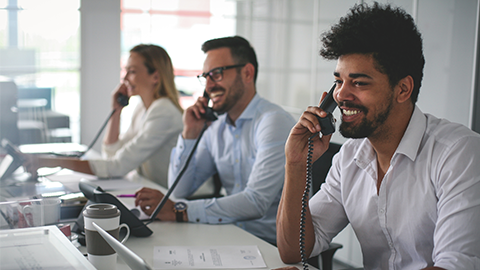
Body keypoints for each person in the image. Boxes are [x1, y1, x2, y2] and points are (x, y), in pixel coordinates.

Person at [276, 3, 480, 270]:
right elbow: (293, 251)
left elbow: (455, 265)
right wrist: (295, 164)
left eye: (359, 83)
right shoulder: (349, 157)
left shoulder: (459, 153)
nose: (340, 95)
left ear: (403, 89)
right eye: (338, 81)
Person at [134, 36, 296, 245]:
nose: (209, 86)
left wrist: (179, 210)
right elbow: (180, 190)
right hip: (230, 236)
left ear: (247, 73)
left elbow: (256, 203)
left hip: (272, 245)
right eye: (206, 76)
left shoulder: (273, 122)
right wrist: (189, 134)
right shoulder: (215, 127)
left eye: (217, 74)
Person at [24, 44, 183, 187]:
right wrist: (116, 111)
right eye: (125, 71)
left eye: (132, 71)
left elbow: (116, 167)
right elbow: (111, 154)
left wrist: (48, 162)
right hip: (151, 190)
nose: (125, 78)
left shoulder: (163, 112)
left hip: (170, 199)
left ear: (155, 76)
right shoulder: (142, 108)